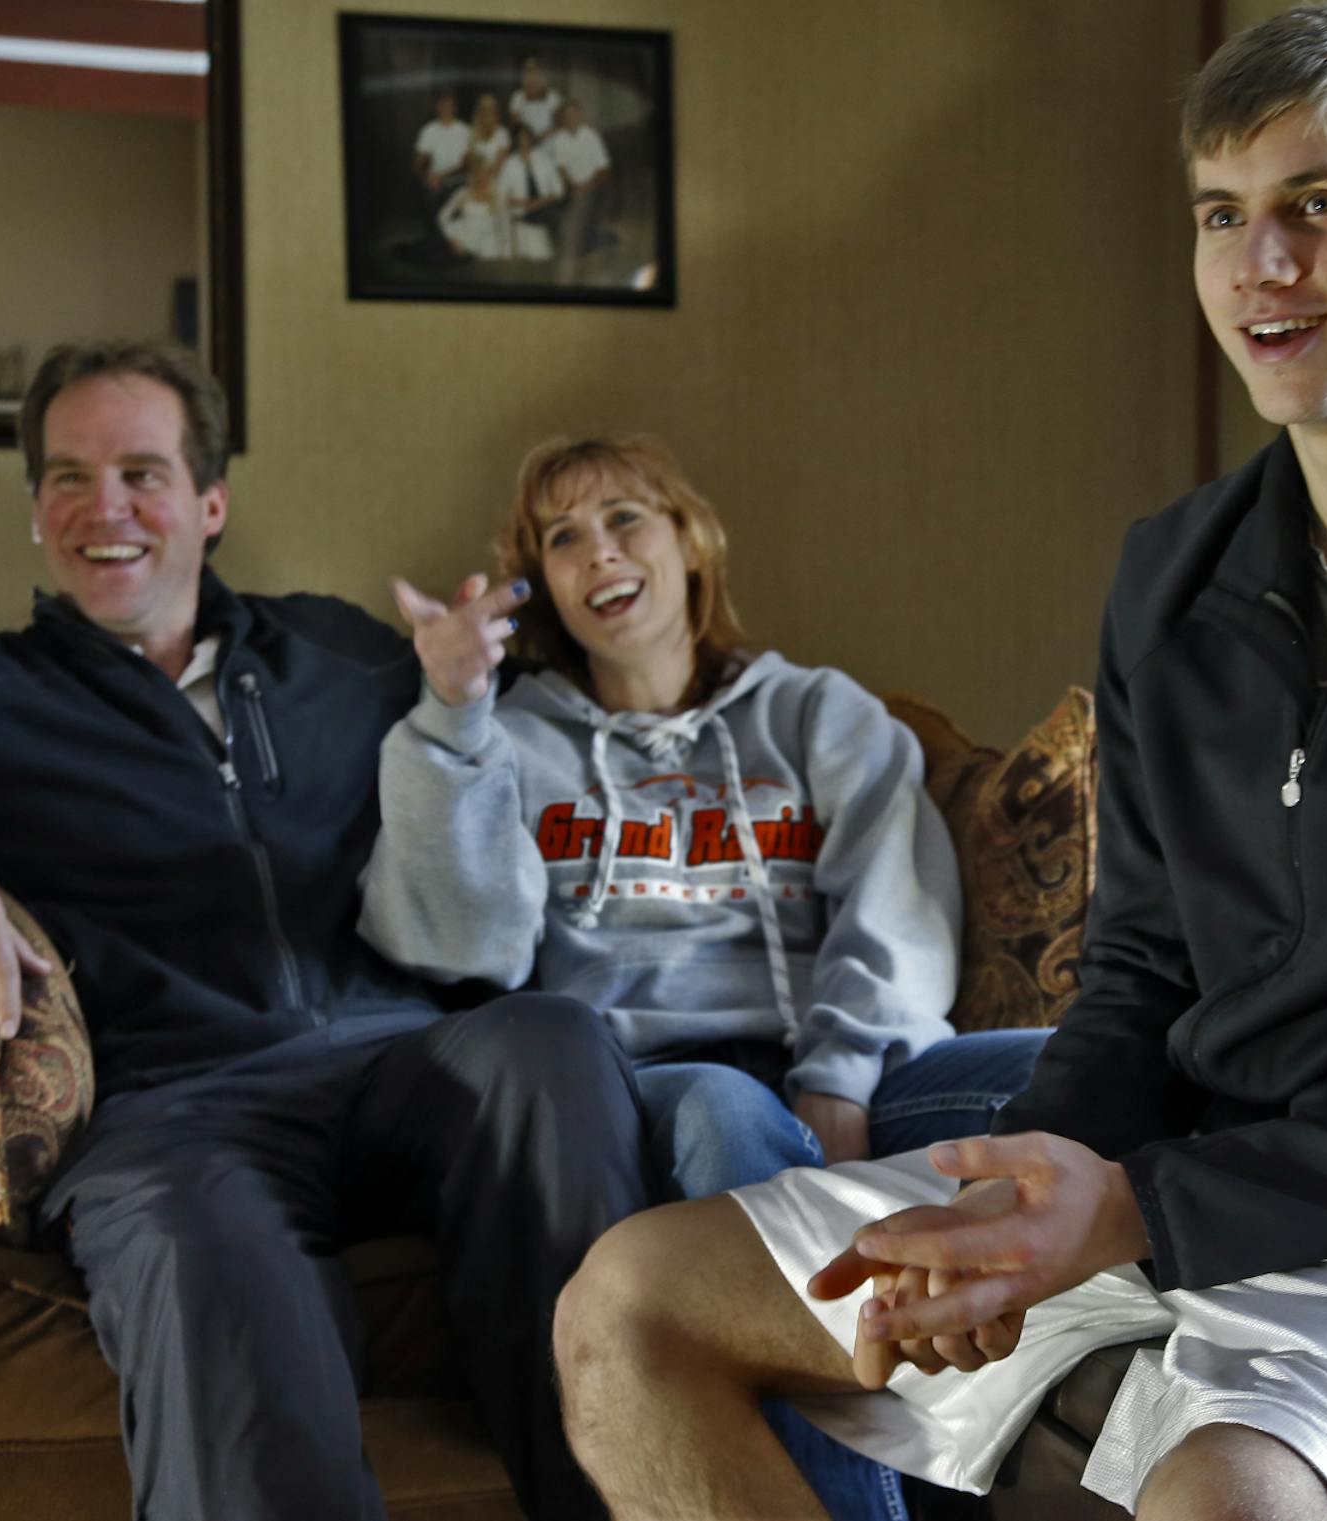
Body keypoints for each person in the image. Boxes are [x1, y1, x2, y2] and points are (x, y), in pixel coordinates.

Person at [551, 8, 1327, 1521]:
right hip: (1228, 1156)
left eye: (1318, 208)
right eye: (1223, 216)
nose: (1260, 264)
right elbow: (1138, 974)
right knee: (635, 1296)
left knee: (1232, 1496)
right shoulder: (1174, 570)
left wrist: (1136, 1207)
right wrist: (1042, 1183)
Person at [0, 340, 651, 1521]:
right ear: (34, 512)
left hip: (401, 1065)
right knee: (198, 1248)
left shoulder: (339, 651)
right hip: (174, 1109)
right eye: (68, 477)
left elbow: (545, 742)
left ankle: (618, 1494)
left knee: (552, 1043)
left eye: (143, 474)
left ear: (210, 505)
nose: (105, 507)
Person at [357, 435, 1050, 1521]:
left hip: (847, 1058)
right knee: (734, 1115)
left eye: (627, 518)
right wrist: (453, 712)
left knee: (1062, 1070)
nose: (600, 553)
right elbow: (460, 943)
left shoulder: (819, 715)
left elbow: (894, 913)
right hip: (650, 1078)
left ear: (692, 541)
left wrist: (841, 1079)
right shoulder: (521, 739)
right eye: (563, 538)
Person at [550, 98, 612, 276]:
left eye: (574, 114)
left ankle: (593, 246)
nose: (571, 118)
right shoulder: (559, 139)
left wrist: (586, 188)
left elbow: (605, 171)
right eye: (567, 115)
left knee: (584, 212)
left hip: (593, 188)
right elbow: (561, 168)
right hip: (572, 189)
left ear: (579, 115)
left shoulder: (591, 137)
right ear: (563, 118)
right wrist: (572, 186)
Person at [498, 121, 565, 261]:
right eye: (520, 138)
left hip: (545, 204)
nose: (524, 141)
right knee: (555, 217)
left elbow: (559, 189)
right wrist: (522, 202)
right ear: (515, 141)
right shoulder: (510, 164)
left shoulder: (544, 159)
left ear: (531, 139)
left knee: (562, 212)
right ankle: (563, 255)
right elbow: (501, 193)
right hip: (524, 209)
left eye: (526, 137)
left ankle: (566, 252)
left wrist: (539, 202)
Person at [439, 157, 510, 260]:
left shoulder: (499, 195)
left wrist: (506, 248)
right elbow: (442, 216)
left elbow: (504, 221)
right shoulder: (462, 193)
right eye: (479, 172)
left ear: (490, 174)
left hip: (489, 241)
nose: (482, 176)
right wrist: (452, 238)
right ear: (474, 174)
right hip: (464, 238)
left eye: (486, 172)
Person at [412, 88, 472, 209]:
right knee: (432, 194)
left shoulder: (465, 130)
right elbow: (417, 163)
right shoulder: (428, 130)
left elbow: (466, 164)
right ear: (437, 107)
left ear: (455, 108)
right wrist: (426, 178)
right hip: (436, 181)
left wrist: (442, 176)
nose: (446, 108)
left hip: (459, 179)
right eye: (442, 104)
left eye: (449, 104)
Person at [508, 56, 562, 141]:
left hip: (550, 142)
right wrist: (530, 138)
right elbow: (515, 125)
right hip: (526, 144)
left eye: (535, 72)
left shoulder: (553, 96)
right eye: (528, 72)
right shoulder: (517, 97)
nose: (532, 77)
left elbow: (559, 124)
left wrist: (543, 136)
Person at [468, 91, 511, 175]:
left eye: (490, 109)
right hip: (478, 179)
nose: (487, 112)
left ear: (495, 111)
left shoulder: (502, 132)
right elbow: (472, 163)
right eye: (484, 109)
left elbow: (499, 164)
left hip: (497, 177)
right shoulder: (472, 133)